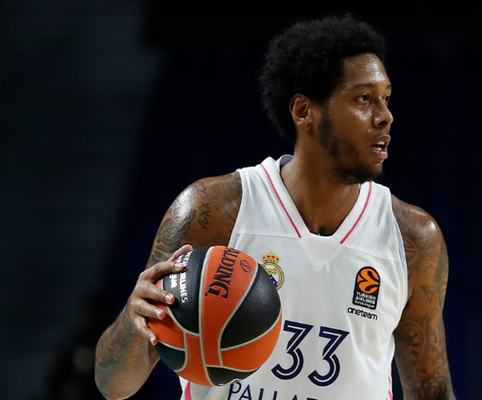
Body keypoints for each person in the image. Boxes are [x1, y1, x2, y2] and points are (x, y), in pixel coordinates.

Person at [95, 15, 456, 400]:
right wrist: (133, 319)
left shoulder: (413, 239)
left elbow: (432, 393)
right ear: (304, 111)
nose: (385, 116)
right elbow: (114, 385)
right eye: (363, 98)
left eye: (386, 98)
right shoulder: (214, 210)